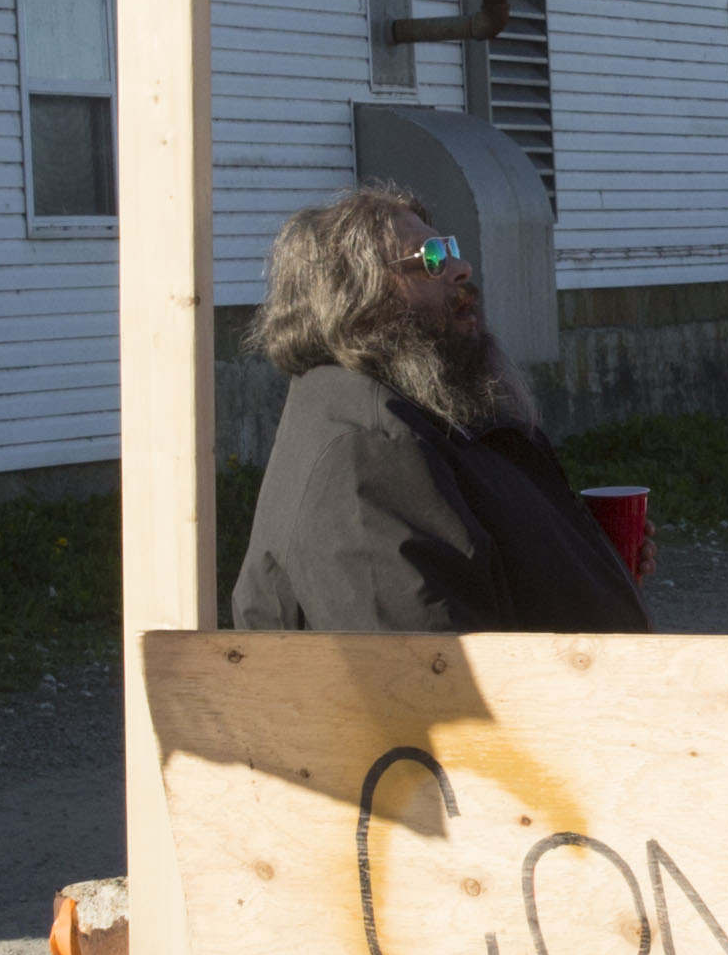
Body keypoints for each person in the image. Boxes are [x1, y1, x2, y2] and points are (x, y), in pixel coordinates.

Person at [231, 187, 649, 636]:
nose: (462, 268)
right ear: (354, 296)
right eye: (431, 258)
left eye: (449, 249)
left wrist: (587, 553)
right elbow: (426, 663)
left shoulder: (421, 410)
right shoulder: (369, 450)